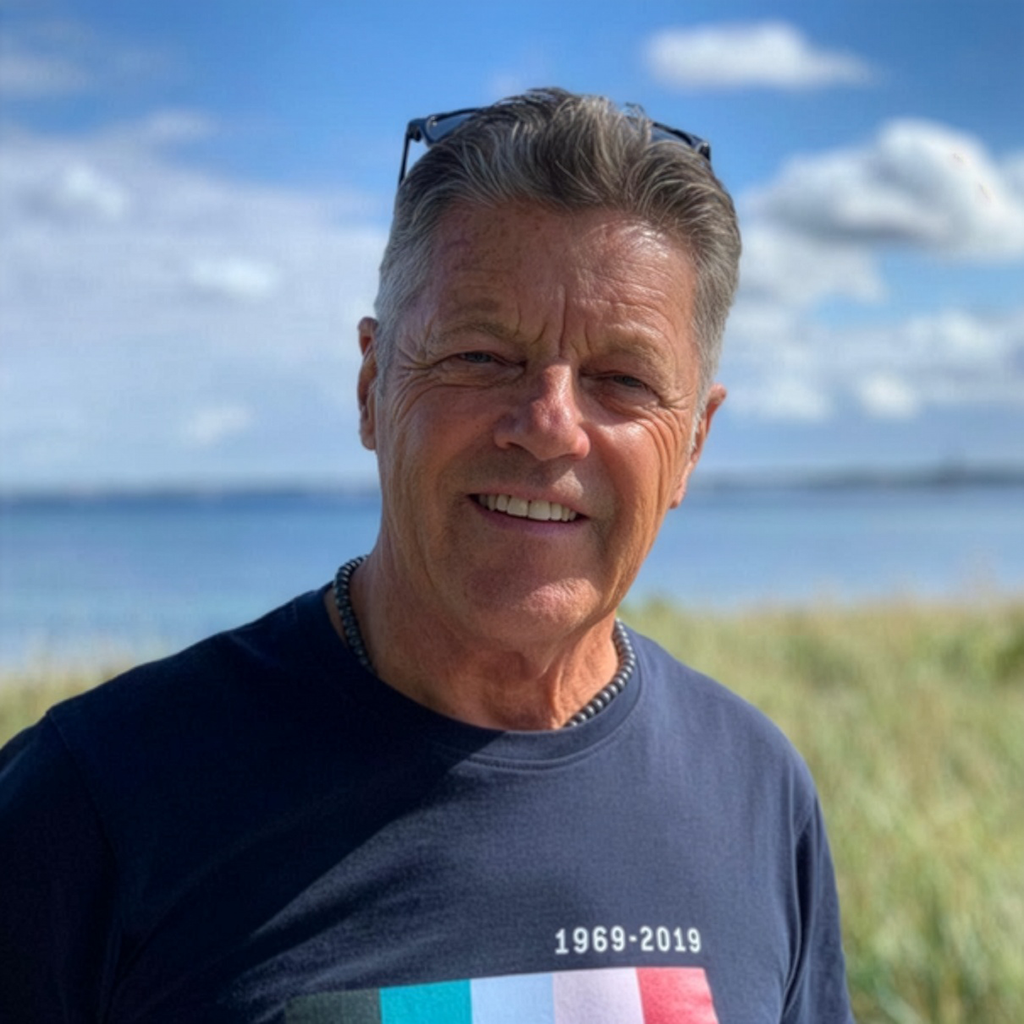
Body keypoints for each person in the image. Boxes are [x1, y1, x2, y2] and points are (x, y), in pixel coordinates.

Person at [0, 88, 854, 1022]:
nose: (549, 426)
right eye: (481, 357)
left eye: (622, 378)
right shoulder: (93, 803)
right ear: (372, 384)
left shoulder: (756, 793)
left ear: (692, 444)